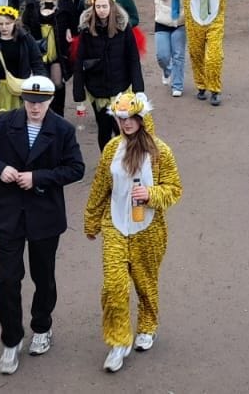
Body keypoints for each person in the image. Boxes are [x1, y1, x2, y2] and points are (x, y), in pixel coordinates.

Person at [0, 76, 85, 376]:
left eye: (41, 102)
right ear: (23, 100)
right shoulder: (4, 122)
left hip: (45, 215)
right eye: (30, 101)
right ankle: (11, 339)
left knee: (44, 277)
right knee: (7, 278)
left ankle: (42, 327)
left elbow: (76, 168)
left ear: (50, 102)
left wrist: (38, 178)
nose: (35, 107)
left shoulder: (63, 129)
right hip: (9, 214)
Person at [83, 92, 182, 373]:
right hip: (114, 226)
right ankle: (118, 341)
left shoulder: (160, 152)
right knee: (114, 286)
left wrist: (151, 194)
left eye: (131, 118)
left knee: (145, 283)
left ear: (142, 117)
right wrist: (91, 221)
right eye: (121, 118)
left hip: (148, 230)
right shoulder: (111, 149)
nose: (125, 123)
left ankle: (147, 327)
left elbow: (175, 189)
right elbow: (100, 188)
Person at [72, 0, 147, 151]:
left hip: (120, 87)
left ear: (111, 7)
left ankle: (127, 160)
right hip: (97, 89)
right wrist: (78, 93)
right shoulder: (86, 30)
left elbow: (133, 58)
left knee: (122, 127)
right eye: (97, 6)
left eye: (104, 6)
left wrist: (138, 89)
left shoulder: (123, 27)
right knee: (104, 128)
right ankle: (107, 163)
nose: (101, 10)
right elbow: (79, 61)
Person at [166, 0, 242, 107]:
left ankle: (215, 90)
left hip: (214, 23)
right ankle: (201, 86)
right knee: (196, 56)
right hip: (194, 23)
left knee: (214, 57)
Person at [0, 5, 46, 121]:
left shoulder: (26, 39)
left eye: (8, 23)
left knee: (18, 123)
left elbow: (37, 62)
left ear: (15, 23)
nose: (4, 27)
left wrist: (40, 83)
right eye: (0, 24)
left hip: (19, 89)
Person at [22, 0, 77, 115]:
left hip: (58, 48)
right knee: (41, 81)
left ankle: (58, 114)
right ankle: (43, 113)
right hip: (38, 47)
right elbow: (25, 24)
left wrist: (69, 30)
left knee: (57, 83)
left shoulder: (66, 1)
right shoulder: (33, 2)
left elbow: (74, 22)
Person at [150, 0, 186, 98]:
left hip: (180, 23)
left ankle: (177, 85)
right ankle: (167, 70)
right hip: (162, 24)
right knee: (162, 56)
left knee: (178, 56)